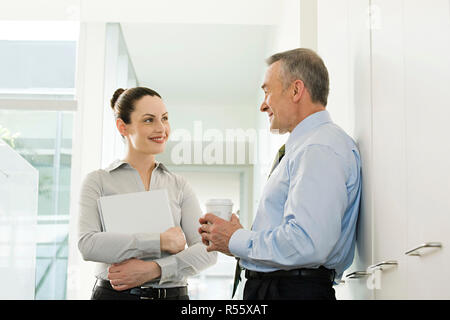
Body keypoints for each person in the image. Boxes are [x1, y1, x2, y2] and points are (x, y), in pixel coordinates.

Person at [199, 48, 362, 300]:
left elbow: (307, 243)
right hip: (282, 288)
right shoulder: (306, 147)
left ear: (296, 90)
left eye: (267, 91)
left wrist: (237, 239)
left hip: (292, 292)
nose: (263, 105)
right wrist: (236, 240)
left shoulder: (318, 148)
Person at [78, 87, 217, 300]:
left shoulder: (179, 185)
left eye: (165, 118)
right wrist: (159, 241)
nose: (161, 128)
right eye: (149, 120)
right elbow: (88, 244)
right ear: (122, 127)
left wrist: (156, 269)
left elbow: (207, 252)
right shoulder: (98, 181)